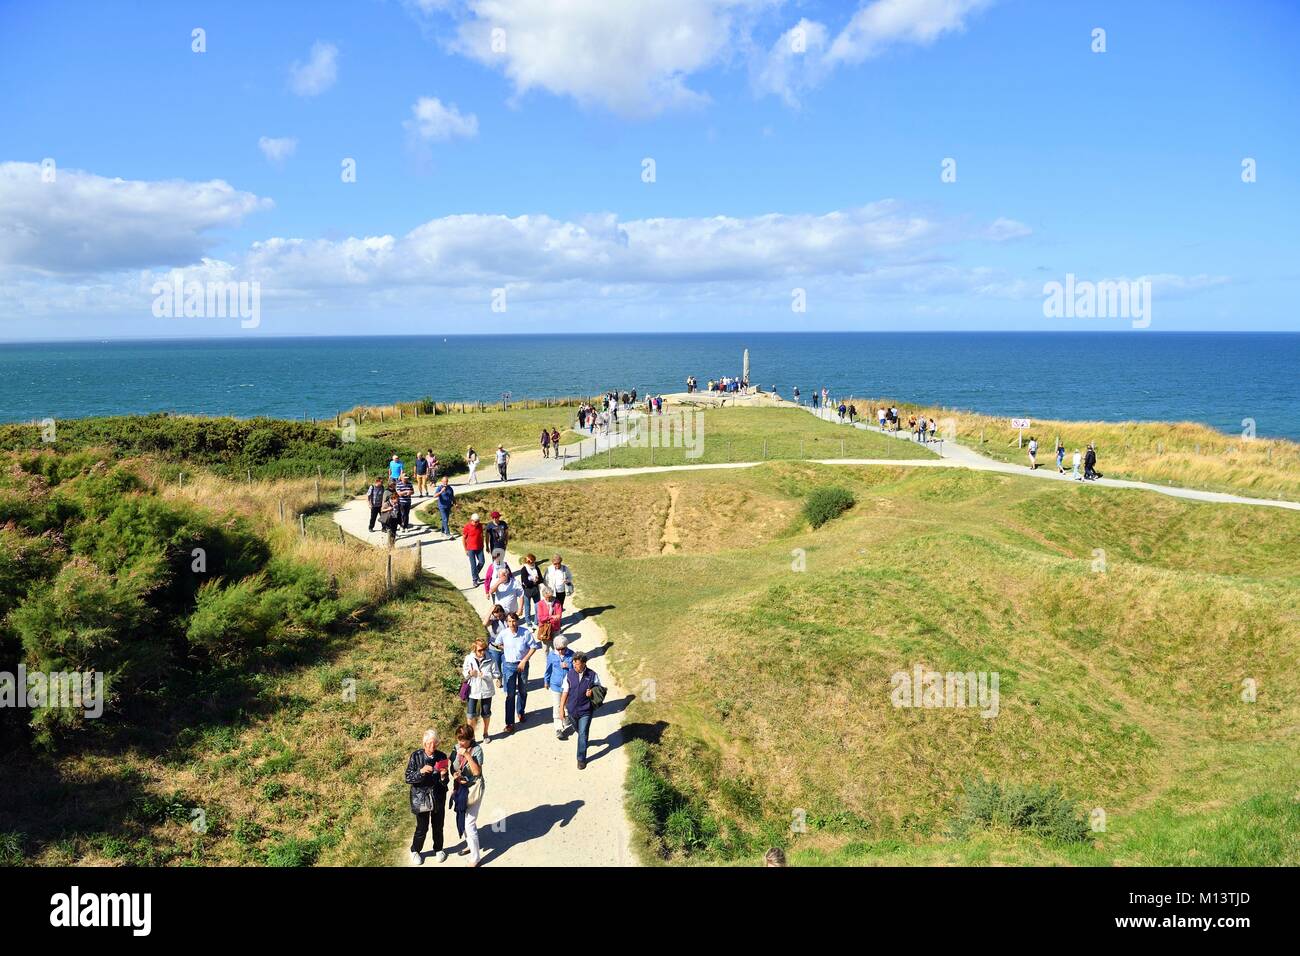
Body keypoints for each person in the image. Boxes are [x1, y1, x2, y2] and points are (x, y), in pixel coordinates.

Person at [405, 729, 450, 865]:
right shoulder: (416, 756)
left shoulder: (442, 756)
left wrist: (443, 776)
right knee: (422, 827)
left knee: (438, 825)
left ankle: (439, 849)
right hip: (421, 797)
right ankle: (415, 850)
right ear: (424, 744)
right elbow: (408, 777)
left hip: (437, 796)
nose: (432, 747)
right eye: (429, 744)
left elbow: (446, 781)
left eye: (435, 743)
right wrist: (421, 772)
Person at [449, 724, 485, 866]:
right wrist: (454, 774)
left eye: (463, 740)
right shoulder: (455, 748)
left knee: (469, 823)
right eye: (459, 739)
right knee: (461, 818)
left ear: (470, 739)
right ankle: (470, 845)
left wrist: (467, 755)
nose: (460, 742)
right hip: (461, 788)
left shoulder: (477, 750)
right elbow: (453, 766)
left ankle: (476, 858)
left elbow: (477, 772)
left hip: (474, 788)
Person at [499, 612, 540, 731]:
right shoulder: (504, 633)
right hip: (509, 666)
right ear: (506, 622)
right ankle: (510, 723)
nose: (512, 624)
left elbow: (533, 647)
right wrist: (505, 650)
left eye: (514, 621)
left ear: (517, 621)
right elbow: (497, 643)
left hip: (523, 665)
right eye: (509, 621)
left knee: (523, 690)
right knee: (510, 694)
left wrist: (524, 660)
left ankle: (521, 712)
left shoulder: (525, 632)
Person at [559, 652, 601, 770]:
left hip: (586, 710)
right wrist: (561, 708)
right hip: (572, 710)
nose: (574, 665)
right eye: (573, 663)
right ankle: (583, 740)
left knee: (582, 734)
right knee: (579, 731)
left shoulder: (592, 675)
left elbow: (600, 688)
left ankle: (581, 759)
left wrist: (592, 691)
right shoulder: (569, 675)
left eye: (576, 663)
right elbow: (565, 692)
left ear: (583, 664)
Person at [463, 638, 501, 742]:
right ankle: (472, 737)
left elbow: (497, 674)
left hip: (486, 691)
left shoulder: (491, 658)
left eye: (484, 649)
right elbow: (465, 673)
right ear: (474, 649)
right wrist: (470, 674)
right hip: (473, 691)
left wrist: (483, 675)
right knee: (470, 715)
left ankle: (485, 733)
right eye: (480, 650)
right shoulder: (469, 658)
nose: (482, 652)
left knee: (486, 713)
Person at [543, 632, 574, 738]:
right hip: (555, 684)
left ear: (566, 646)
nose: (561, 651)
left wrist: (568, 665)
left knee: (566, 705)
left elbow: (577, 669)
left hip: (568, 685)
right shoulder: (551, 655)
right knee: (556, 706)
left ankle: (566, 719)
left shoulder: (572, 654)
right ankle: (558, 728)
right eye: (558, 649)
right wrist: (546, 681)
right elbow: (548, 669)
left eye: (563, 648)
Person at [543, 554, 574, 627]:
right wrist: (548, 589)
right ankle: (551, 621)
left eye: (558, 563)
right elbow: (545, 580)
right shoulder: (549, 569)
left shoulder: (565, 568)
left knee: (560, 607)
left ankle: (558, 621)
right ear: (552, 563)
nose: (557, 565)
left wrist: (567, 581)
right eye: (555, 564)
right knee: (551, 607)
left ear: (561, 562)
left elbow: (570, 577)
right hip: (552, 592)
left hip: (561, 592)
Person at [518, 553, 543, 626]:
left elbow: (541, 579)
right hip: (527, 591)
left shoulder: (536, 568)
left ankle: (536, 621)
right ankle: (528, 622)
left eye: (533, 561)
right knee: (527, 607)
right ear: (526, 561)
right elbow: (525, 582)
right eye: (529, 561)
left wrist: (535, 581)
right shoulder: (524, 569)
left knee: (537, 606)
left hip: (536, 590)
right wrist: (534, 582)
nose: (531, 563)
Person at [462, 512, 486, 586]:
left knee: (482, 562)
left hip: (479, 547)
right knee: (473, 564)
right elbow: (463, 538)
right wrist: (465, 549)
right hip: (470, 549)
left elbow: (482, 535)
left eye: (478, 521)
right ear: (471, 520)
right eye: (475, 522)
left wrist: (483, 544)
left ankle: (476, 574)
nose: (477, 523)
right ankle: (475, 580)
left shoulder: (480, 526)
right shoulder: (467, 527)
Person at [483, 604, 507, 672]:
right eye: (496, 616)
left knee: (506, 669)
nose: (498, 618)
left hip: (507, 647)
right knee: (497, 669)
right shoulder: (493, 620)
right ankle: (499, 681)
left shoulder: (508, 619)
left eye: (500, 616)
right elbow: (484, 624)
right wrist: (490, 611)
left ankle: (506, 682)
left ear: (503, 612)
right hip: (495, 648)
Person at [379, 480, 400, 549]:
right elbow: (382, 508)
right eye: (394, 484)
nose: (397, 501)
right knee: (389, 532)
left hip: (395, 519)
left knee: (394, 532)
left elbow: (399, 511)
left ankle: (392, 545)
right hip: (389, 518)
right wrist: (388, 509)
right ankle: (389, 546)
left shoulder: (397, 502)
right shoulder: (386, 493)